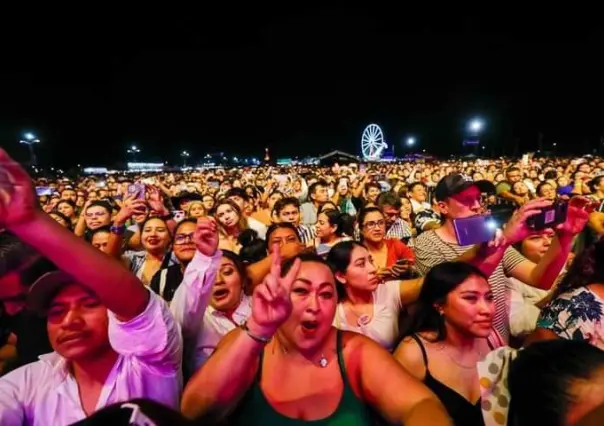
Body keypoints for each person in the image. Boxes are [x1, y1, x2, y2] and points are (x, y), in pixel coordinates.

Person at [0, 149, 182, 424]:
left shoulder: (148, 362)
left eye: (89, 304)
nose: (70, 321)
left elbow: (132, 300)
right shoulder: (30, 381)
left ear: (115, 313)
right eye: (57, 311)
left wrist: (32, 221)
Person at [181, 250, 453, 425]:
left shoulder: (354, 350)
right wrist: (258, 328)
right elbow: (193, 411)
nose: (315, 305)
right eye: (301, 291)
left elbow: (421, 404)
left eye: (326, 294)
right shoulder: (248, 345)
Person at [395, 262, 494, 426]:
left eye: (489, 298)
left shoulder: (492, 342)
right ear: (439, 305)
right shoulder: (414, 352)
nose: (487, 309)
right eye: (470, 298)